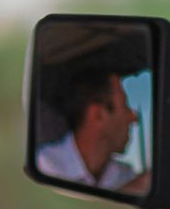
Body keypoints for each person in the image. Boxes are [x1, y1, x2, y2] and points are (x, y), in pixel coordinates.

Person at [37, 67, 150, 195]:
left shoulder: (125, 174)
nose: (134, 117)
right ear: (98, 114)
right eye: (125, 106)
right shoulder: (45, 167)